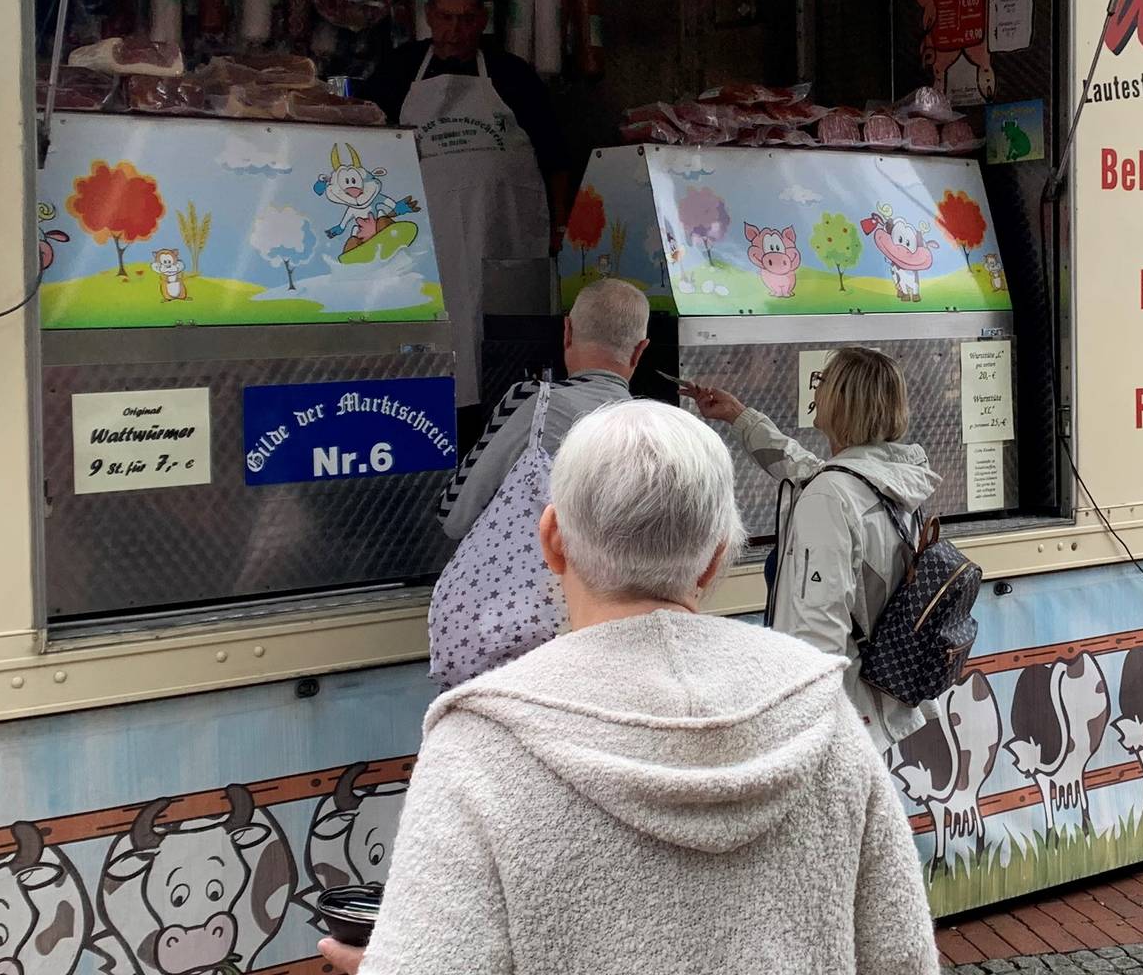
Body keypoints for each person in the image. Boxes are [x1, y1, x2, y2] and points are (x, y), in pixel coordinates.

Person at [322, 401, 938, 975]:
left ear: (553, 542)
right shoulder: (825, 713)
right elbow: (903, 958)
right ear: (716, 558)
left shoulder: (478, 747)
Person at [357, 0, 585, 425]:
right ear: (428, 15)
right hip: (421, 246)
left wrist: (559, 229)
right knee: (438, 343)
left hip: (506, 240)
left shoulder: (512, 75)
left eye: (465, 19)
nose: (454, 31)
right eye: (444, 18)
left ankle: (507, 432)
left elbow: (556, 158)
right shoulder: (398, 71)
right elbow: (365, 156)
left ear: (482, 19)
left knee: (503, 348)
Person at [681, 349, 933, 749]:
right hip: (870, 701)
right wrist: (740, 416)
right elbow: (804, 467)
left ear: (840, 399)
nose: (816, 390)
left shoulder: (832, 496)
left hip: (830, 717)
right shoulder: (891, 480)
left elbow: (818, 626)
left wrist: (805, 730)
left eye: (823, 381)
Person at [433, 278, 648, 544]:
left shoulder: (534, 404)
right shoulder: (660, 431)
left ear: (567, 331)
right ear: (640, 351)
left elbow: (455, 515)